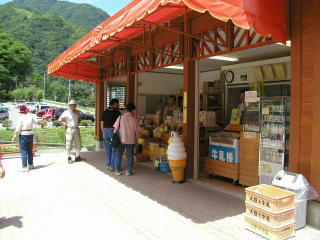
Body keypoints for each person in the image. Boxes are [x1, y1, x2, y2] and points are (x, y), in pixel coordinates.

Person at [113, 103, 140, 176]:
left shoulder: (120, 117)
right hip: (131, 140)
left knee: (118, 155)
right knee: (130, 156)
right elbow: (137, 132)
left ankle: (117, 171)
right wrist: (136, 140)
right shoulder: (135, 119)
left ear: (126, 109)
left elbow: (115, 128)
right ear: (133, 110)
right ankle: (128, 171)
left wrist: (115, 136)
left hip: (121, 139)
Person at [11, 105, 39, 172]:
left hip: (23, 134)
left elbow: (18, 129)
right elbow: (37, 122)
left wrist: (14, 137)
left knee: (24, 151)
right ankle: (31, 165)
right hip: (30, 134)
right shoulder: (31, 116)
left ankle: (24, 167)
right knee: (30, 150)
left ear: (20, 111)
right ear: (26, 110)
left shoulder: (20, 118)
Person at [100, 98, 121, 171]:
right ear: (115, 103)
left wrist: (103, 132)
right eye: (118, 103)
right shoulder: (117, 112)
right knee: (114, 149)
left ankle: (108, 165)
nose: (118, 105)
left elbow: (102, 123)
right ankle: (112, 166)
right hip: (112, 131)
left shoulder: (105, 111)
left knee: (108, 149)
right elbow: (118, 124)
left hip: (105, 131)